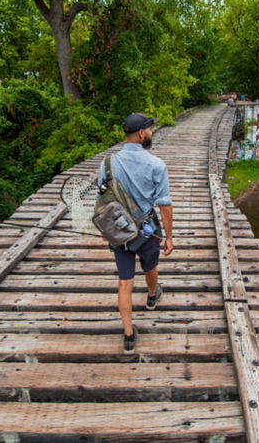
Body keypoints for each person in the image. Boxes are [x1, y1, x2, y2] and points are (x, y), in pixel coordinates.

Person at [98, 112, 174, 354]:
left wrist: (104, 230)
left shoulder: (107, 163)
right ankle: (152, 296)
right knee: (150, 267)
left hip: (119, 231)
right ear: (141, 133)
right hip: (147, 230)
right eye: (150, 129)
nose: (151, 133)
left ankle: (128, 335)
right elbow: (164, 205)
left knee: (125, 280)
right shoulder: (157, 165)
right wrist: (169, 237)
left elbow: (102, 198)